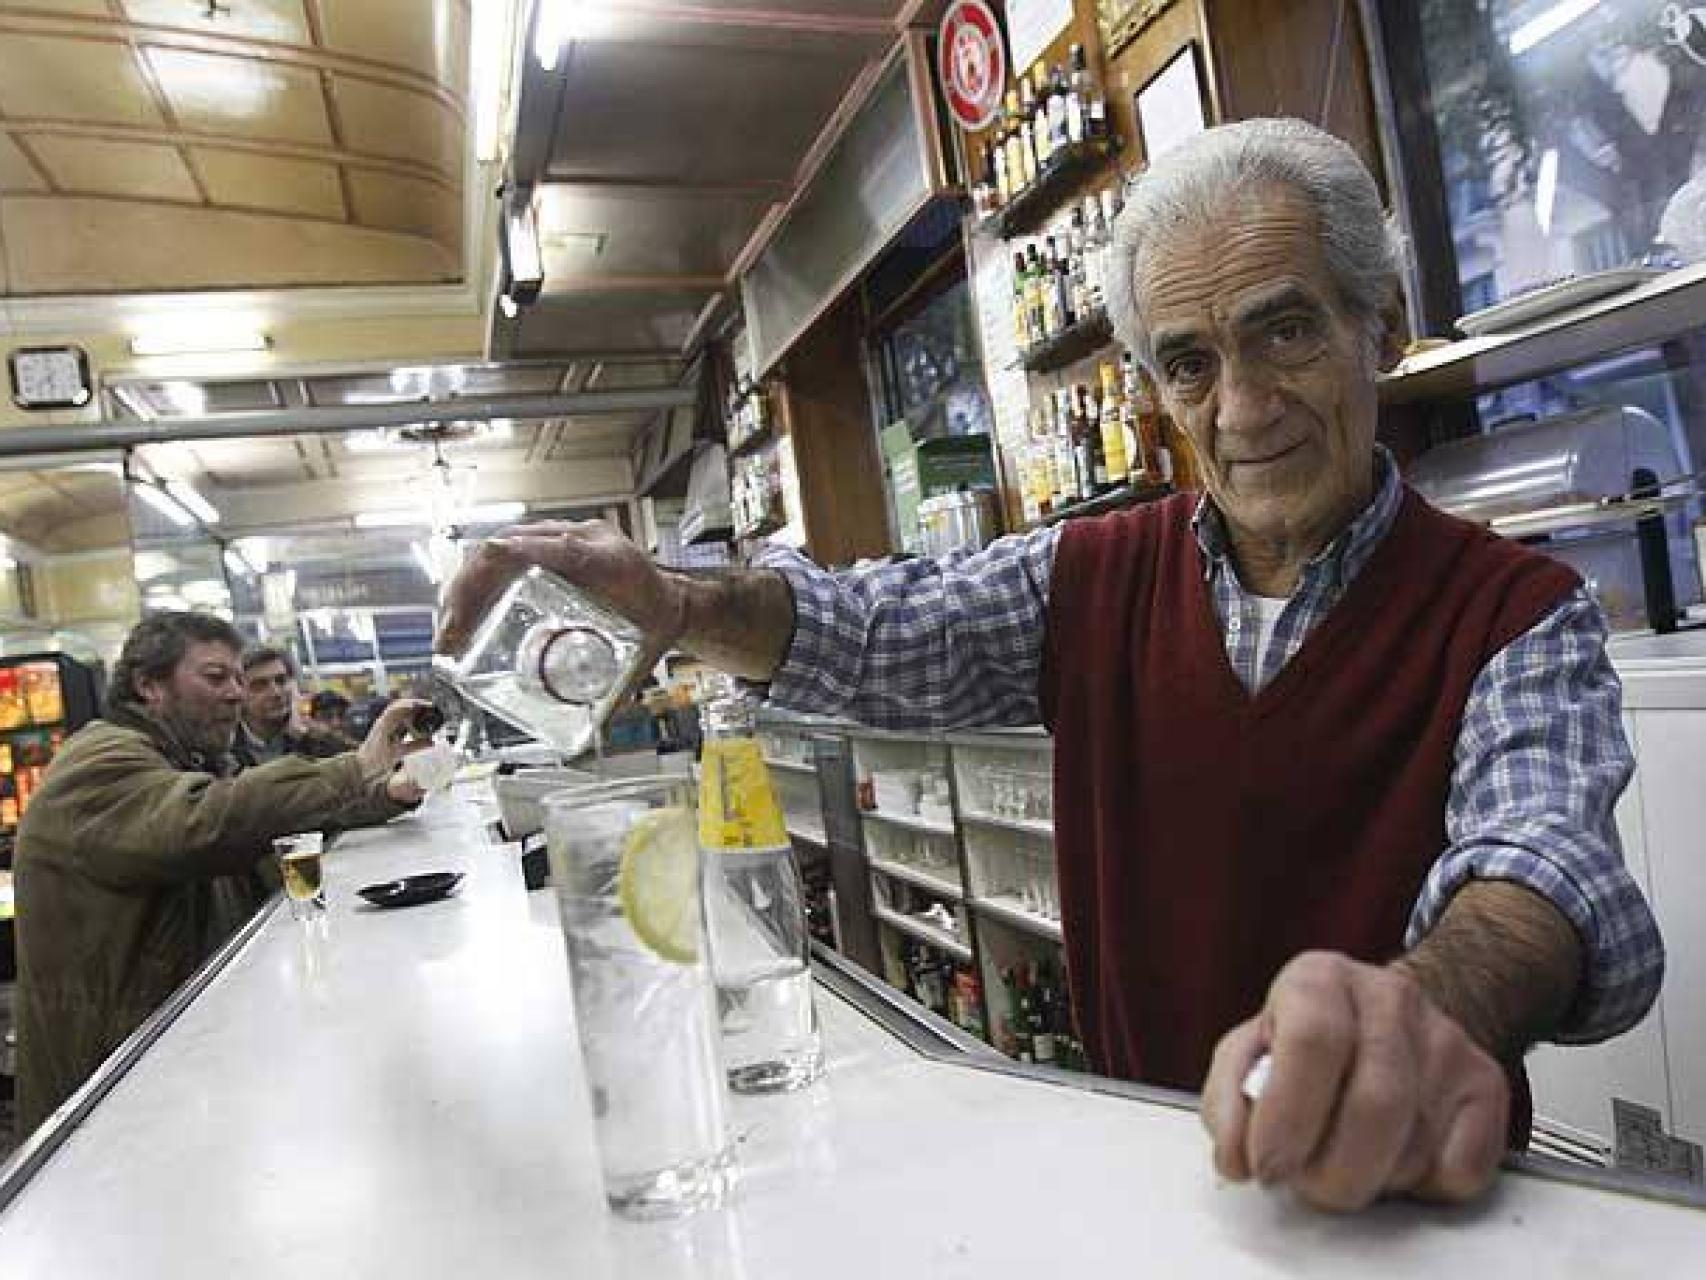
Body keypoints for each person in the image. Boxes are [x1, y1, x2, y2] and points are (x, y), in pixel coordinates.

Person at [436, 119, 1664, 1212]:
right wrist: (675, 599)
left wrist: (1428, 1004)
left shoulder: (1516, 608)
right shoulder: (1084, 579)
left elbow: (1538, 865)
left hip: (1429, 1196)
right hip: (1146, 1180)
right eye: (1187, 362)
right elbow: (864, 629)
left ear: (1376, 331)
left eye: (1282, 330)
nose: (1238, 406)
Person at [12, 612, 429, 1130]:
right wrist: (356, 766)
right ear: (149, 685)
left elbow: (270, 816)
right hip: (110, 1096)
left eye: (238, 677)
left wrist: (385, 793)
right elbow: (212, 820)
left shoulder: (180, 758)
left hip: (174, 1066)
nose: (236, 693)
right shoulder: (100, 765)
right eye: (216, 677)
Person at [235, 644, 349, 764]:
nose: (276, 693)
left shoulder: (314, 742)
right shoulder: (224, 750)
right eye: (260, 685)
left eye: (281, 681)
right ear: (239, 692)